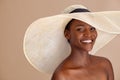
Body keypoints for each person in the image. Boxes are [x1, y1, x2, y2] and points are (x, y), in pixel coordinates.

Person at [23, 5, 120, 80]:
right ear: (67, 34)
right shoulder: (62, 75)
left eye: (92, 28)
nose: (88, 34)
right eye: (80, 29)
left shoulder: (104, 65)